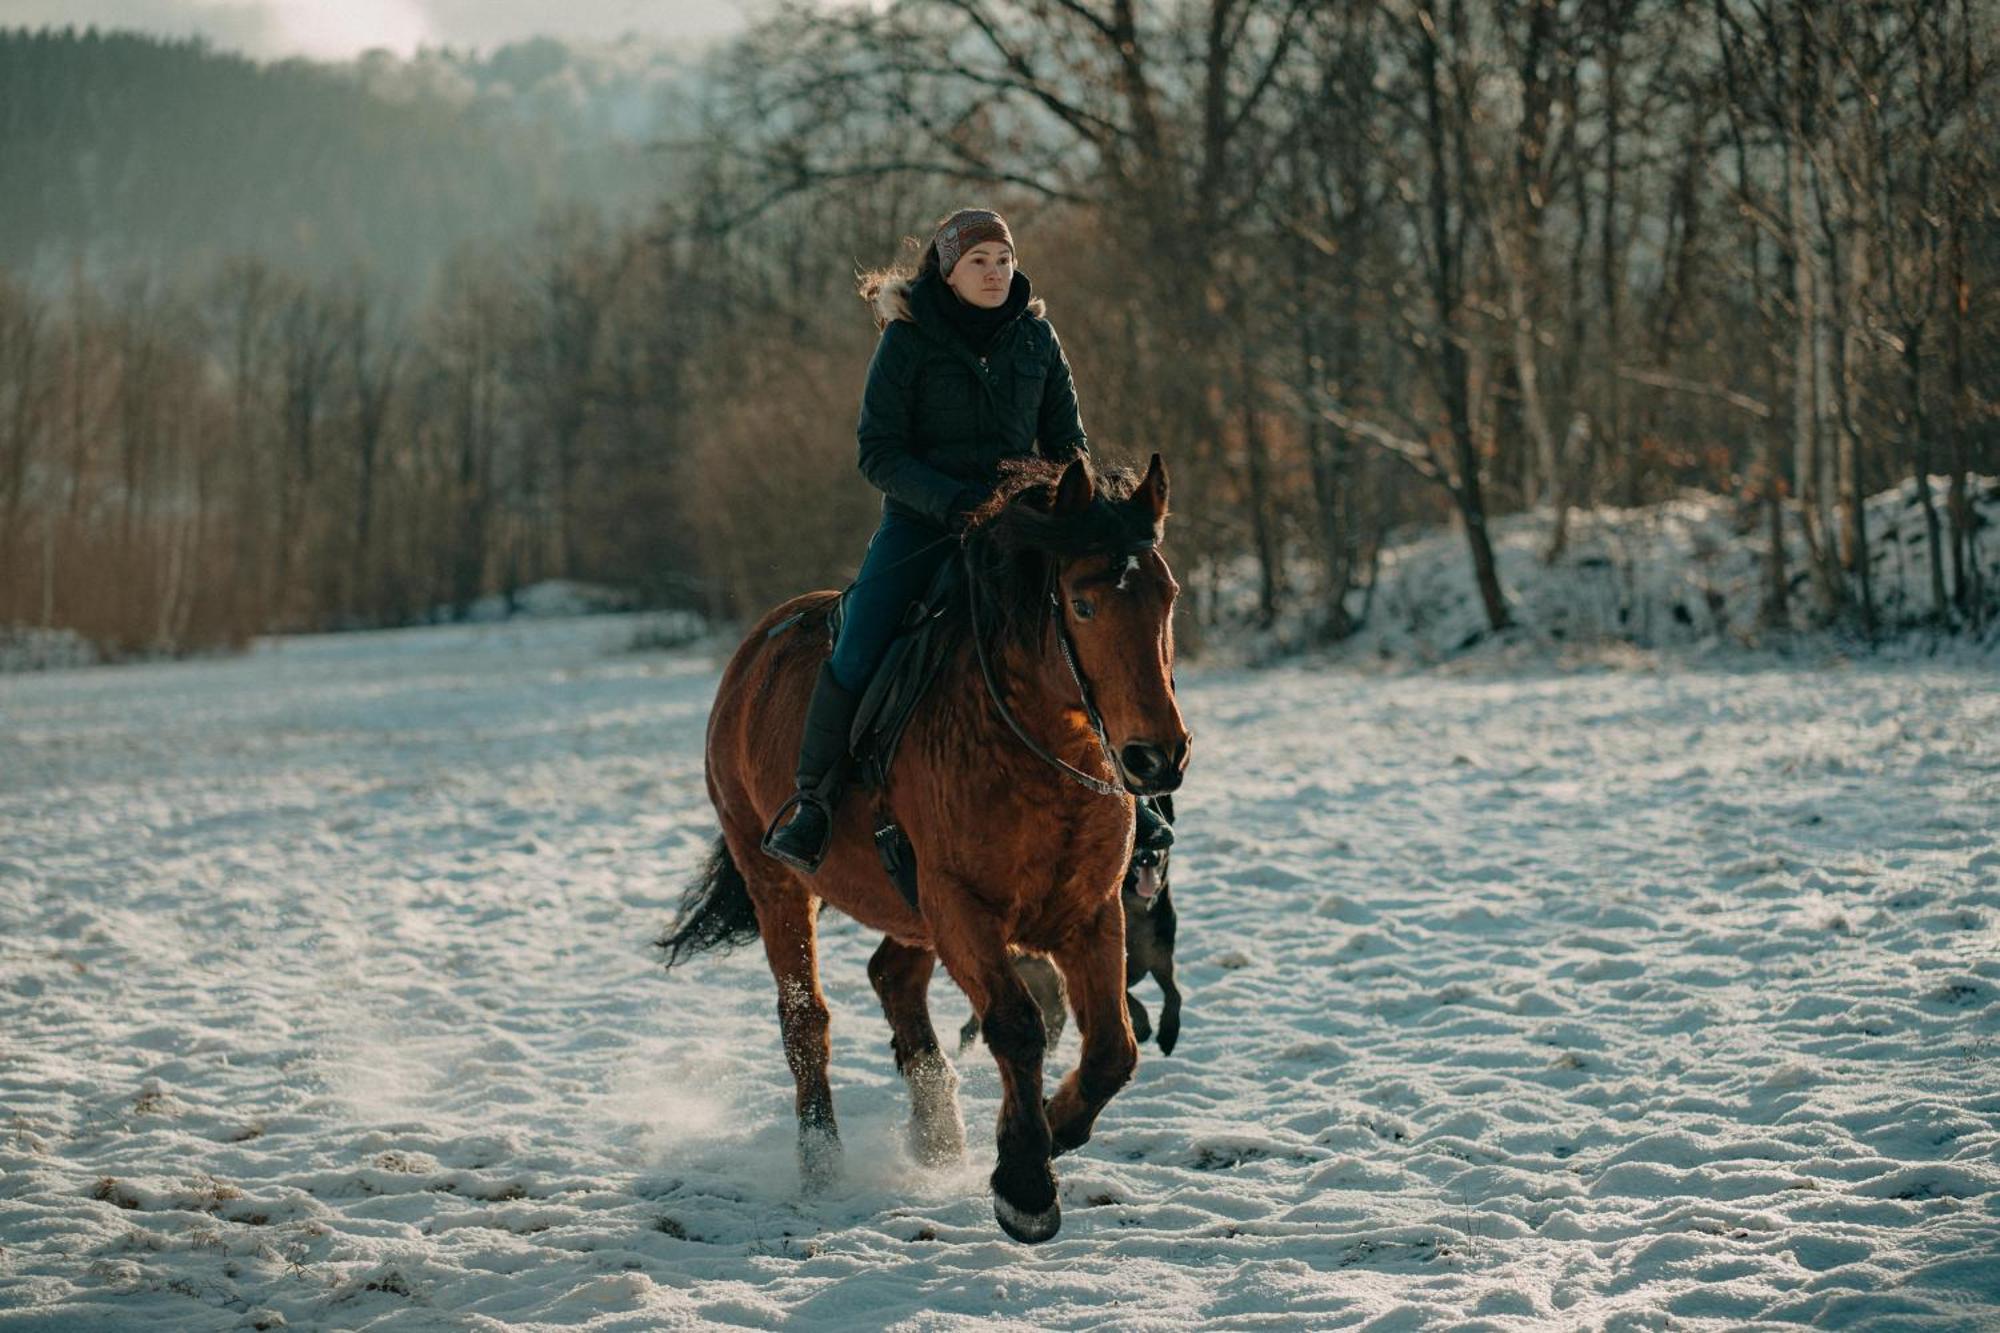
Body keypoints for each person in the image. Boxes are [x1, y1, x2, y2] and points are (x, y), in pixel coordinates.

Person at [762, 208, 1169, 873]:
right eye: (979, 261)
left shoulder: (1037, 338)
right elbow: (879, 452)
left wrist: (1055, 503)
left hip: (1021, 528)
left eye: (1004, 260)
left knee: (1081, 641)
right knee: (861, 638)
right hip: (923, 525)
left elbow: (1069, 445)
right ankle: (814, 800)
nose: (995, 272)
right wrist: (954, 501)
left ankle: (1128, 788)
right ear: (948, 272)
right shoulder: (908, 342)